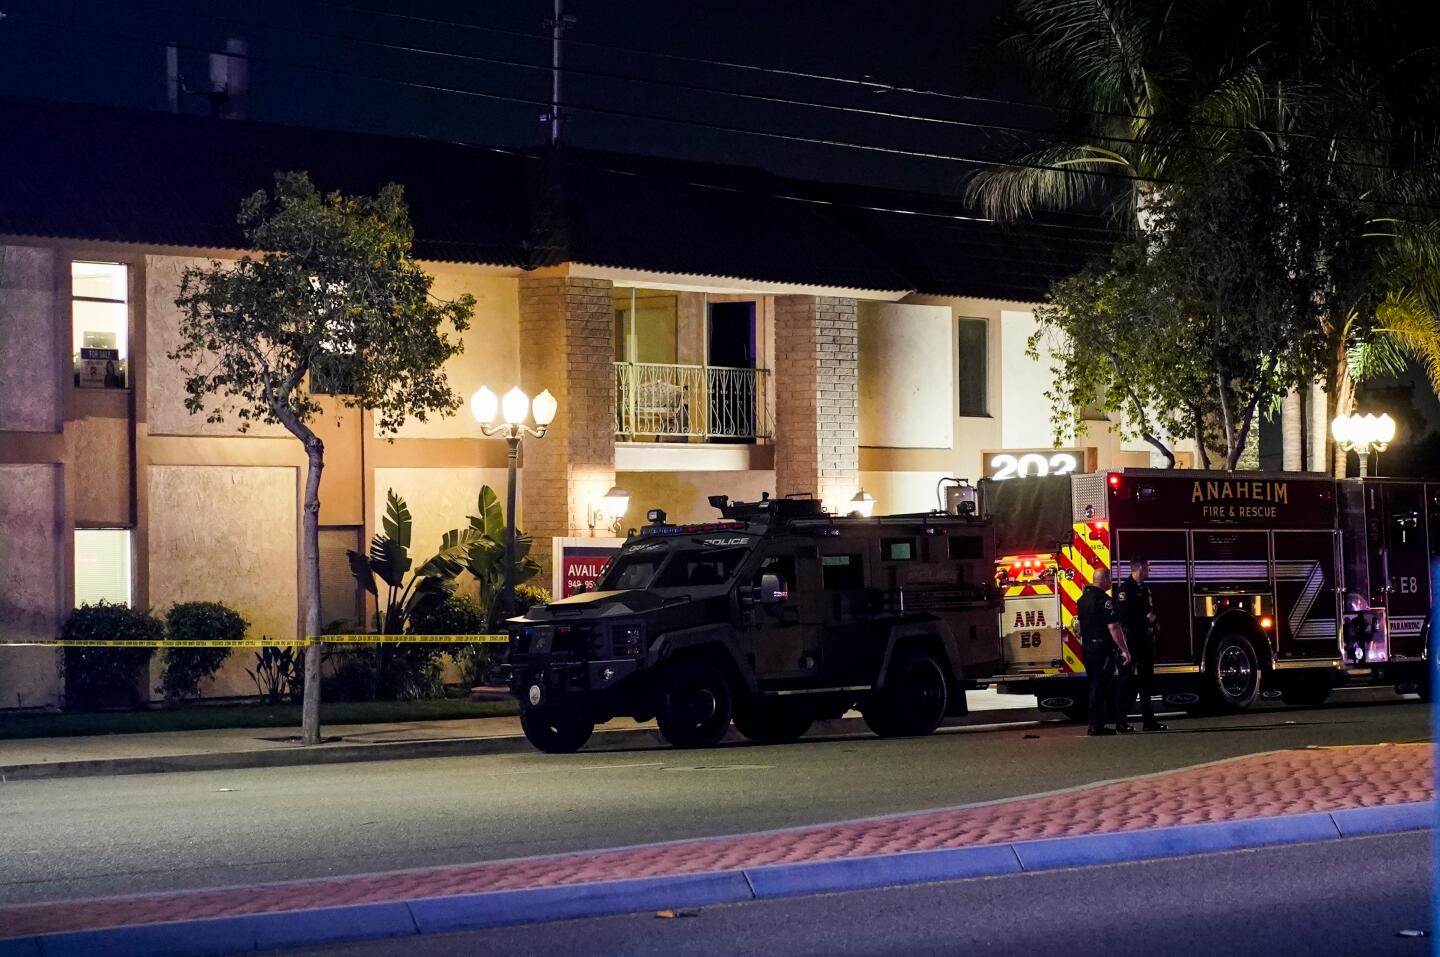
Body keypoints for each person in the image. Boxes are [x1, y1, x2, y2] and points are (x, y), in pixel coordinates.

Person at [1076, 567, 1131, 736]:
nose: (1112, 582)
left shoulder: (1082, 599)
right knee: (1100, 687)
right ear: (1105, 580)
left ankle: (1095, 723)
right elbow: (1113, 627)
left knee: (1094, 685)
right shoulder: (1104, 601)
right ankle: (1096, 726)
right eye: (1110, 578)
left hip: (1087, 647)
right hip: (1101, 649)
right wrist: (1125, 650)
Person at [1116, 557, 1166, 732]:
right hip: (1132, 642)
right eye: (1146, 568)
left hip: (1145, 641)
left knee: (1146, 682)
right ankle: (1121, 722)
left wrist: (1153, 623)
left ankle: (1149, 721)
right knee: (1127, 683)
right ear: (1137, 569)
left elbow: (1149, 611)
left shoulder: (1144, 588)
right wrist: (1143, 620)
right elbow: (1123, 617)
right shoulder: (1125, 590)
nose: (1148, 571)